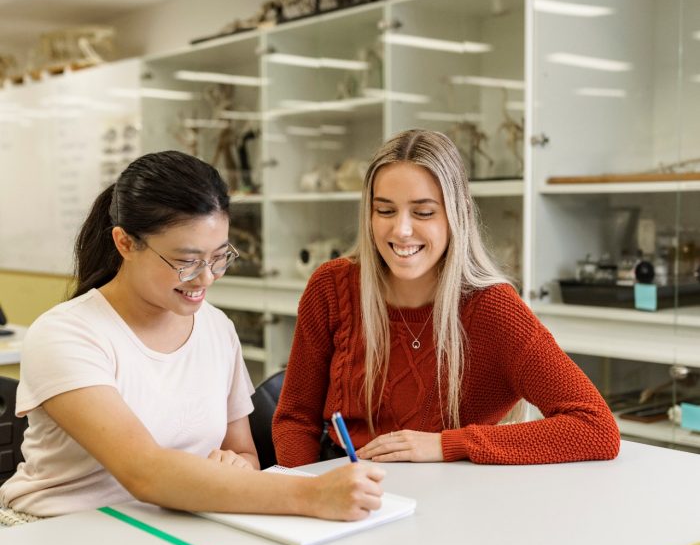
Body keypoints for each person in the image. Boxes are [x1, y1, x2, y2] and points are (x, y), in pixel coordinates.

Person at [0, 150, 383, 522]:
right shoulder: (66, 334)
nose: (206, 278)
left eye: (219, 256)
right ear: (125, 243)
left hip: (176, 526)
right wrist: (312, 494)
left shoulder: (216, 328)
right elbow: (144, 472)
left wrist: (235, 465)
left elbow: (245, 456)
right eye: (186, 262)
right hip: (60, 533)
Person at [272, 130, 620, 467]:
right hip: (342, 485)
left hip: (451, 501)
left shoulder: (494, 308)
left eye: (423, 212)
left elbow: (595, 428)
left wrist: (446, 444)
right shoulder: (331, 287)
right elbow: (295, 419)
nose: (401, 230)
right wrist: (306, 495)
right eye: (385, 210)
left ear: (458, 214)